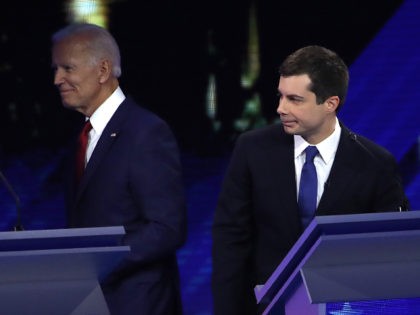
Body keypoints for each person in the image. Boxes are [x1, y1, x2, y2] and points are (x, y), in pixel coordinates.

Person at [211, 45, 409, 314]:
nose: (281, 108)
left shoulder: (374, 163)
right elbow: (230, 241)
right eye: (280, 96)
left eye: (295, 99)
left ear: (330, 103)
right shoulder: (252, 150)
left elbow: (391, 253)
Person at [51, 23, 187, 315]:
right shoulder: (82, 137)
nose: (57, 79)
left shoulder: (146, 132)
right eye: (56, 69)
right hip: (91, 303)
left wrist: (97, 262)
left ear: (102, 70)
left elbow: (166, 228)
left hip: (137, 304)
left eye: (67, 68)